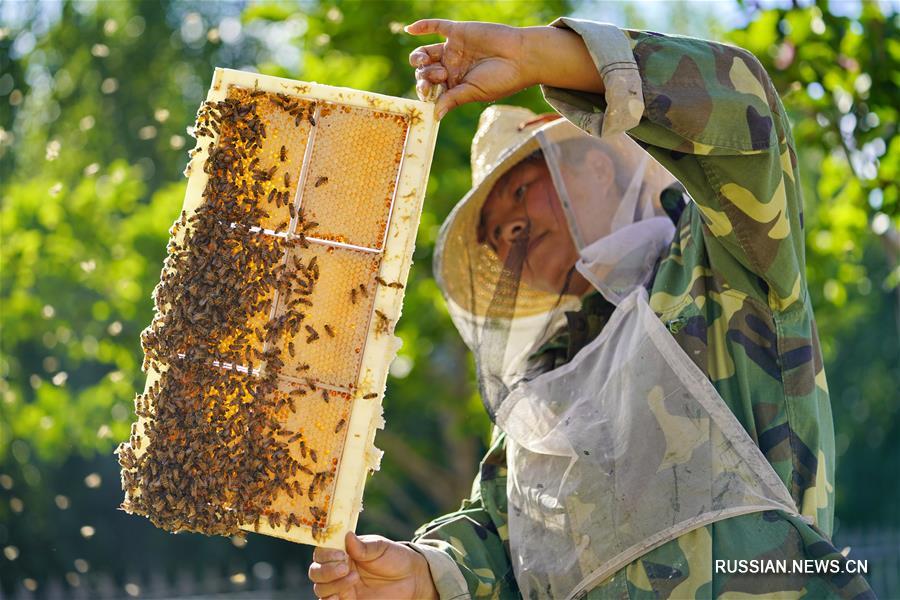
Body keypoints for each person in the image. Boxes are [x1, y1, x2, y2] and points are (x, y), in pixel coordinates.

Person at [308, 17, 875, 600]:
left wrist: (538, 54)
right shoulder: (543, 388)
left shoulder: (721, 261)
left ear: (595, 166)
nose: (511, 231)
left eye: (522, 190)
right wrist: (424, 572)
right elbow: (505, 527)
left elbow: (746, 112)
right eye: (496, 234)